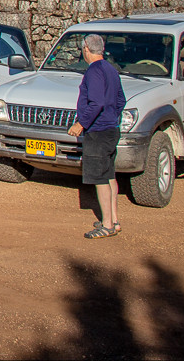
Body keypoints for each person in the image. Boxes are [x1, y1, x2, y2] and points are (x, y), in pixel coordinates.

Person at [67, 33, 126, 239]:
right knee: (109, 175)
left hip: (98, 131)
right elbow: (120, 100)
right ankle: (113, 219)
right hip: (111, 129)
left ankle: (107, 224)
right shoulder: (111, 70)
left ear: (85, 49)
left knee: (100, 177)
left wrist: (81, 123)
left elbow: (96, 102)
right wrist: (111, 117)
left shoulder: (93, 71)